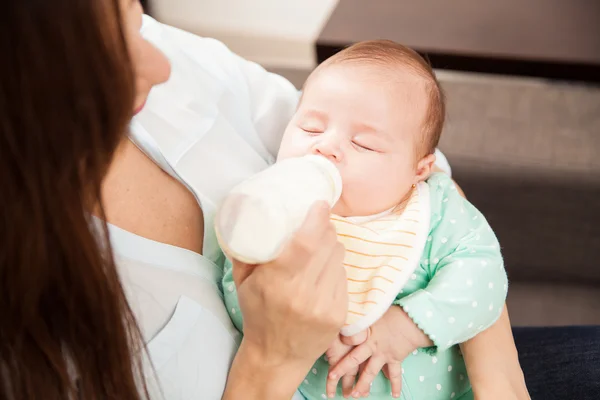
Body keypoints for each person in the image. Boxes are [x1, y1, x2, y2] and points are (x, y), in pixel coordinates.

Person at [2, 0, 571, 399]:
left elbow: (465, 237)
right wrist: (270, 364)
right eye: (108, 59)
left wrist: (494, 372)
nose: (161, 66)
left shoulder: (420, 208)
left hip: (449, 371)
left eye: (136, 21)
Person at [222, 40, 508, 399]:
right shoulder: (277, 211)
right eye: (310, 128)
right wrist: (314, 331)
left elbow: (484, 280)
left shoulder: (434, 210)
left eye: (364, 144)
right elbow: (242, 293)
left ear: (418, 170)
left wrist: (406, 327)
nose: (325, 147)